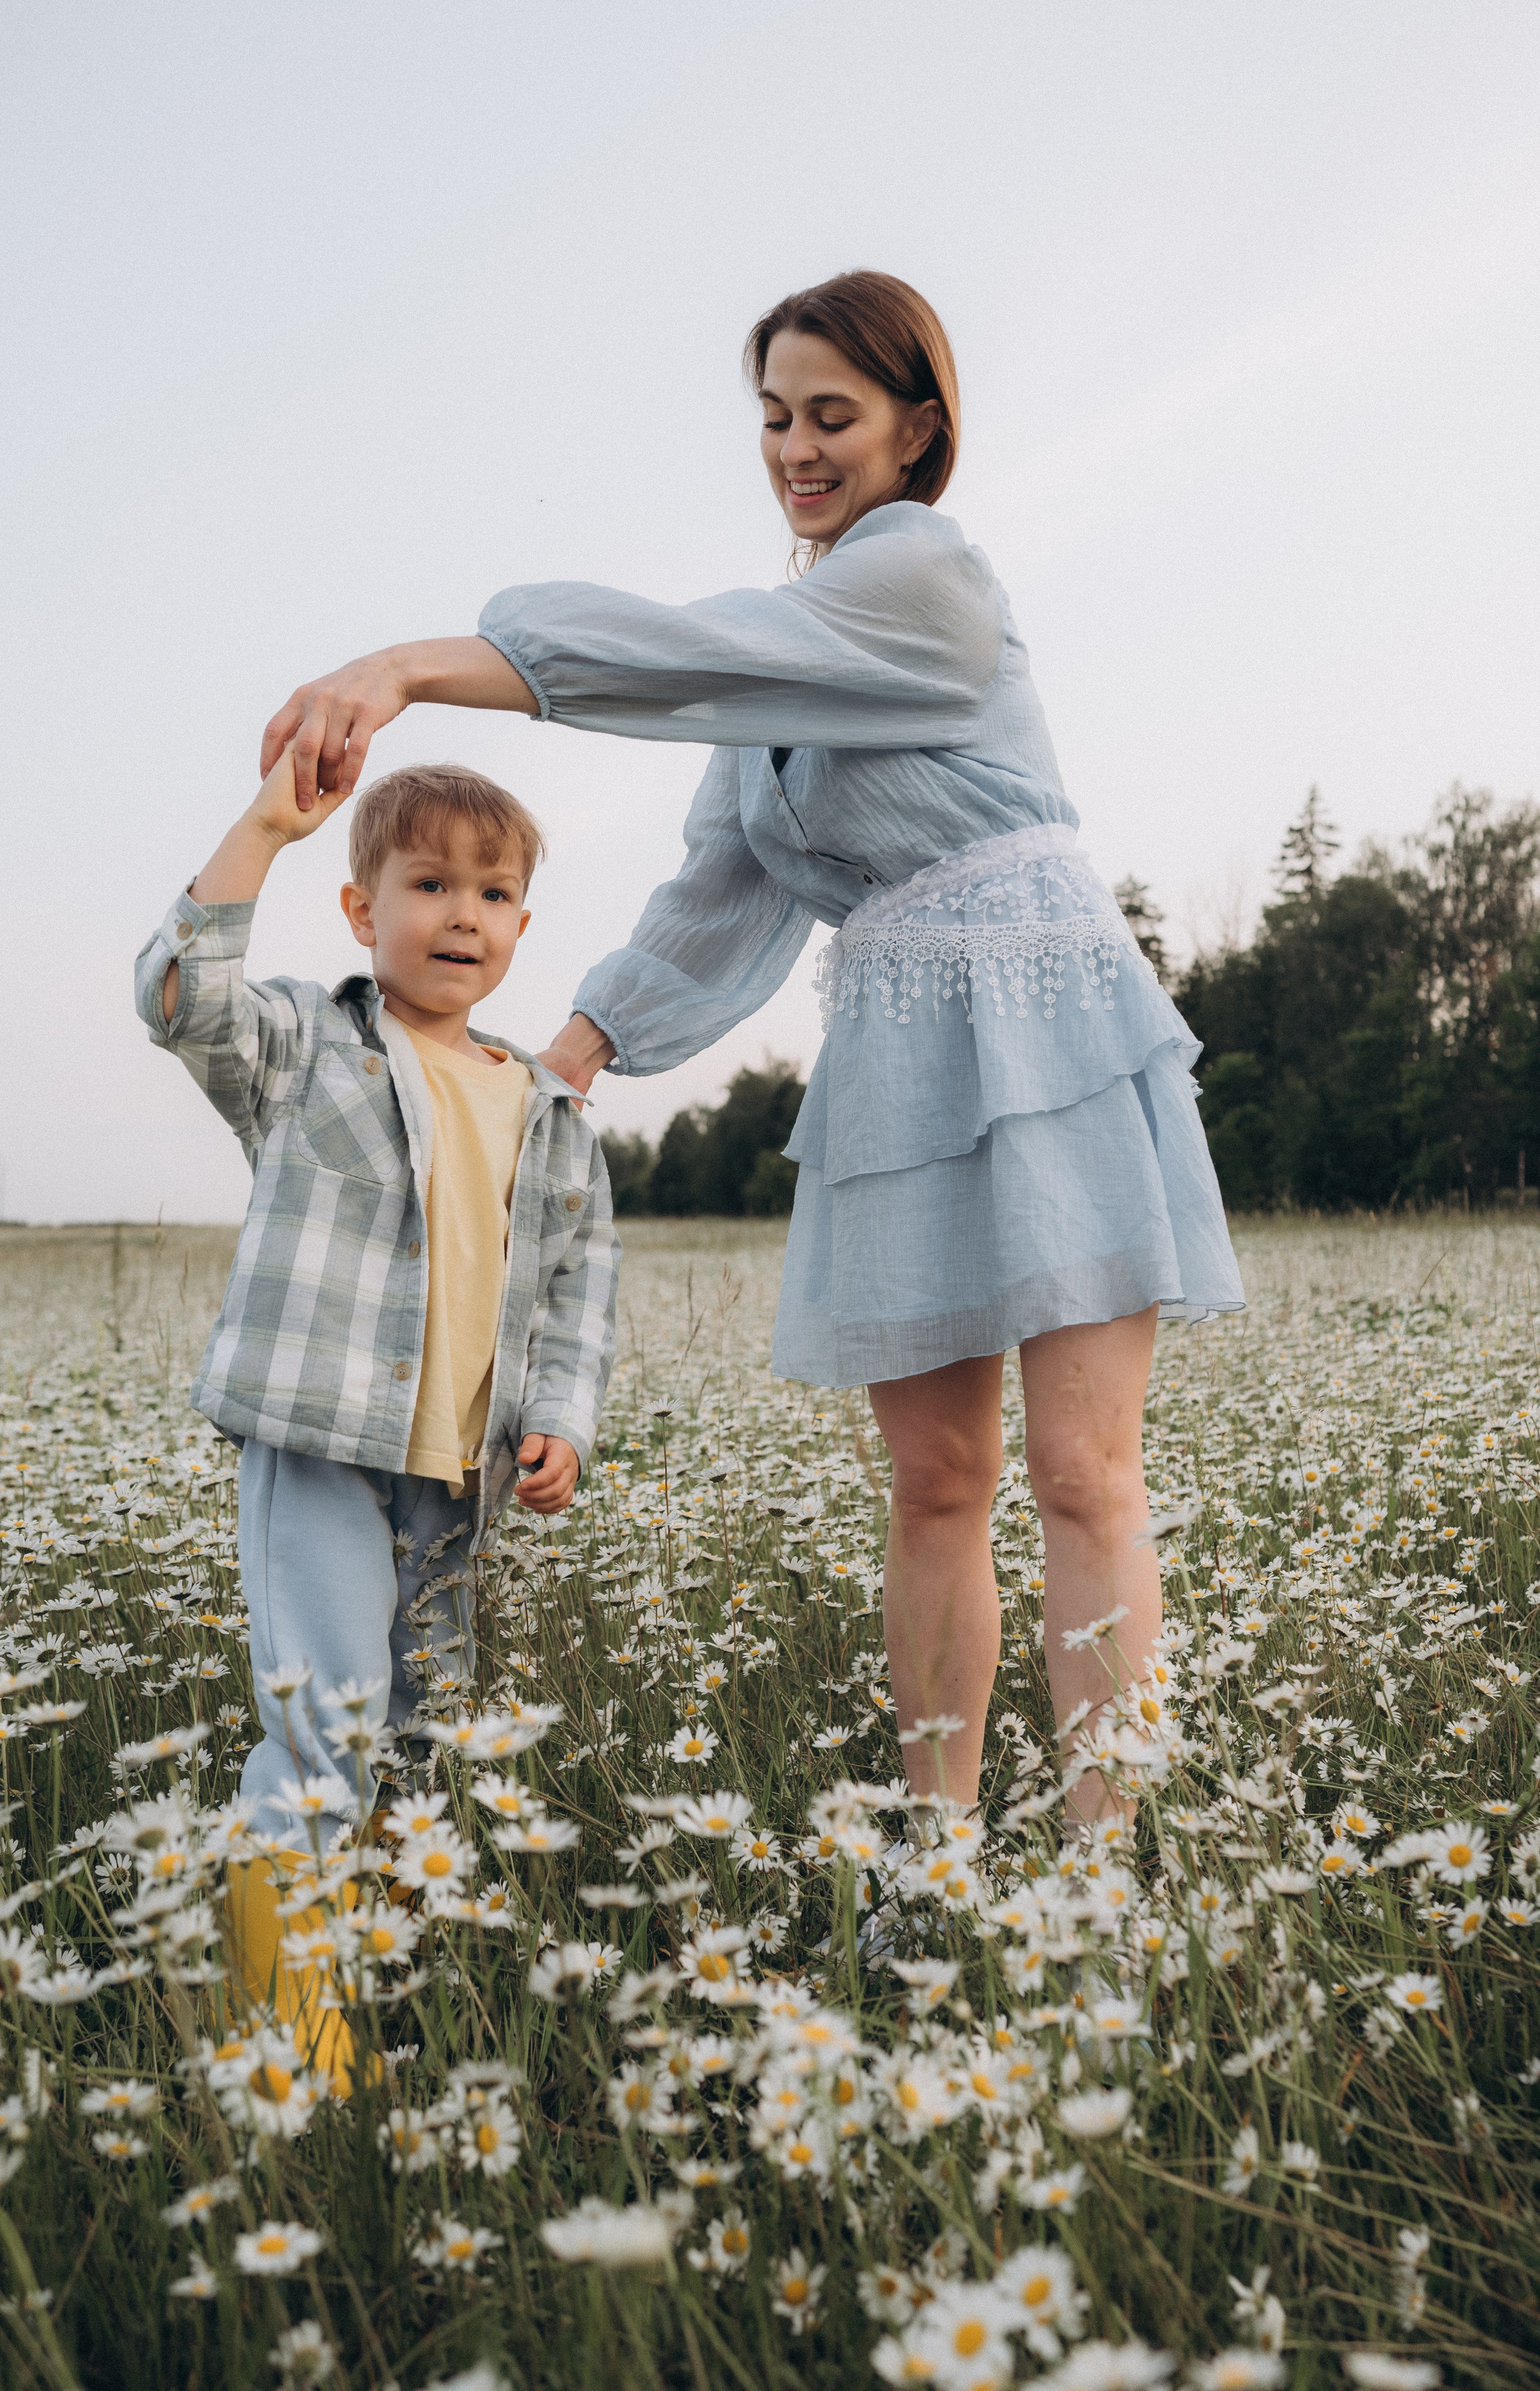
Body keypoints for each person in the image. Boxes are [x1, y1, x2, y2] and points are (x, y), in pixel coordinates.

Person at [259, 269, 1243, 1821]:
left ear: (918, 430)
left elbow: (667, 652)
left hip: (1041, 1009)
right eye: (774, 416)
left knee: (1078, 1470)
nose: (795, 446)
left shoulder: (924, 576)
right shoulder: (776, 673)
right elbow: (720, 889)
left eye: (831, 415)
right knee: (934, 1481)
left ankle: (1102, 1859)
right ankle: (936, 1841)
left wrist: (409, 664)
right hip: (899, 1043)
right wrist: (567, 1058)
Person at [135, 753, 617, 2069]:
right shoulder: (311, 1044)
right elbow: (182, 1001)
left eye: (494, 891)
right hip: (319, 1443)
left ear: (522, 926)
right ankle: (289, 2046)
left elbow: (575, 1293)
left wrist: (562, 1420)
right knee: (326, 1723)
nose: (462, 914)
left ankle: (369, 1975)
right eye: (429, 883)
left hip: (453, 1478)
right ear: (362, 910)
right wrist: (262, 830)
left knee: (415, 1736)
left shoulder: (552, 1110)